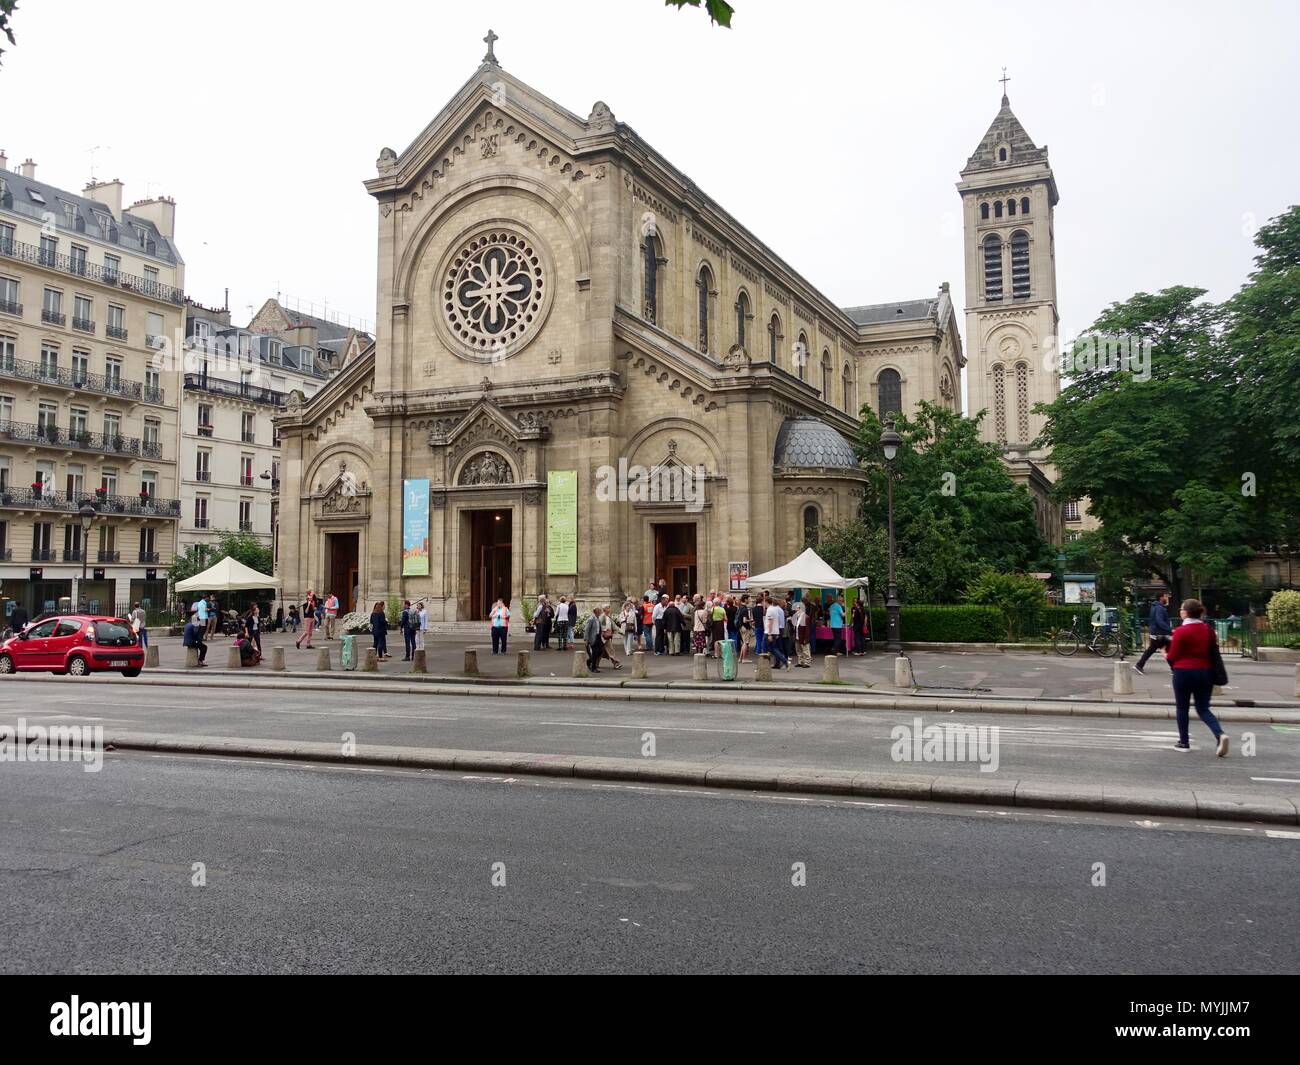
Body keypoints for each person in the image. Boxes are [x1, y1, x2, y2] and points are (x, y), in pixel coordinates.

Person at [1166, 598, 1229, 756]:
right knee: (1203, 708)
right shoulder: (1208, 630)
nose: (1179, 611)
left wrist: (1164, 653)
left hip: (1183, 672)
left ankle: (1184, 742)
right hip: (1205, 672)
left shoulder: (1180, 631)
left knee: (1182, 708)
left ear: (1186, 612)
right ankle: (1220, 734)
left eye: (1181, 609)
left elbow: (1172, 657)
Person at [1134, 591, 1174, 674]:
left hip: (1157, 633)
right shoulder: (1159, 608)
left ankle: (1139, 665)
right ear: (1161, 598)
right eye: (1165, 596)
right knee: (1169, 650)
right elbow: (1159, 621)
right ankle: (1174, 669)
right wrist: (1169, 629)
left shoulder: (1155, 607)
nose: (1166, 598)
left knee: (1152, 650)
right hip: (1160, 634)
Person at [764, 595, 788, 670]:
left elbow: (770, 622)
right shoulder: (776, 610)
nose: (763, 604)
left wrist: (770, 634)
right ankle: (783, 661)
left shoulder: (770, 610)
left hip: (770, 631)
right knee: (773, 648)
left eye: (764, 602)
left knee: (767, 648)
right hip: (775, 631)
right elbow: (777, 621)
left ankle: (764, 665)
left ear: (766, 602)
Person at [584, 606, 604, 674]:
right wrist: (586, 639)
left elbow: (599, 628)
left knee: (600, 651)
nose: (601, 612)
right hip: (593, 638)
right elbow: (587, 630)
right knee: (595, 652)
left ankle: (589, 661)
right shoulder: (591, 619)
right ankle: (593, 667)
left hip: (598, 637)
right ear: (596, 612)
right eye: (599, 611)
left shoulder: (598, 618)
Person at [794, 599, 812, 667]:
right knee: (798, 650)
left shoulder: (806, 617)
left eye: (797, 608)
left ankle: (807, 662)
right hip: (797, 636)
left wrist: (806, 638)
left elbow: (807, 629)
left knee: (805, 650)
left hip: (803, 636)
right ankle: (800, 661)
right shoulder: (797, 617)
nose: (796, 610)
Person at [737, 594, 754, 663]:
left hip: (741, 627)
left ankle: (740, 658)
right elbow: (744, 620)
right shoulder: (745, 609)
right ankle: (744, 658)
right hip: (745, 627)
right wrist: (751, 620)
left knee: (744, 642)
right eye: (749, 599)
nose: (750, 600)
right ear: (746, 599)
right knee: (746, 643)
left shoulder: (740, 607)